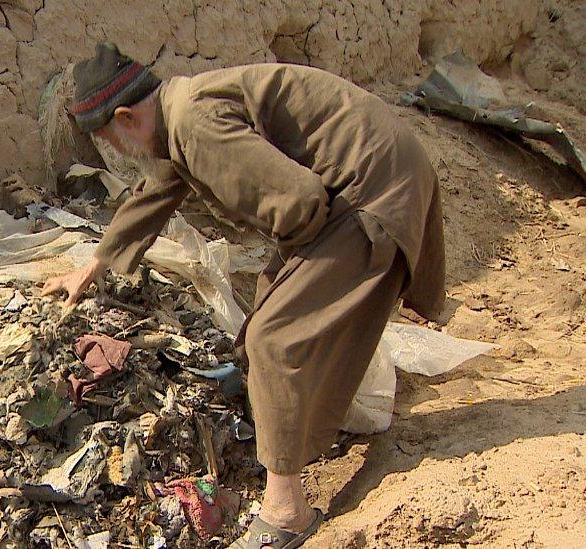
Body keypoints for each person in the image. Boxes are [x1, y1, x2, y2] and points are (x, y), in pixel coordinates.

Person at [42, 43, 445, 548]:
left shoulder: (194, 124)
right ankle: (294, 423)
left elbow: (299, 202)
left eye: (109, 140)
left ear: (125, 117)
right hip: (367, 175)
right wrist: (95, 264)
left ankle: (285, 511)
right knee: (273, 306)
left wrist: (295, 260)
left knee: (275, 338)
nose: (117, 153)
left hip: (372, 187)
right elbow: (155, 192)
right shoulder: (178, 114)